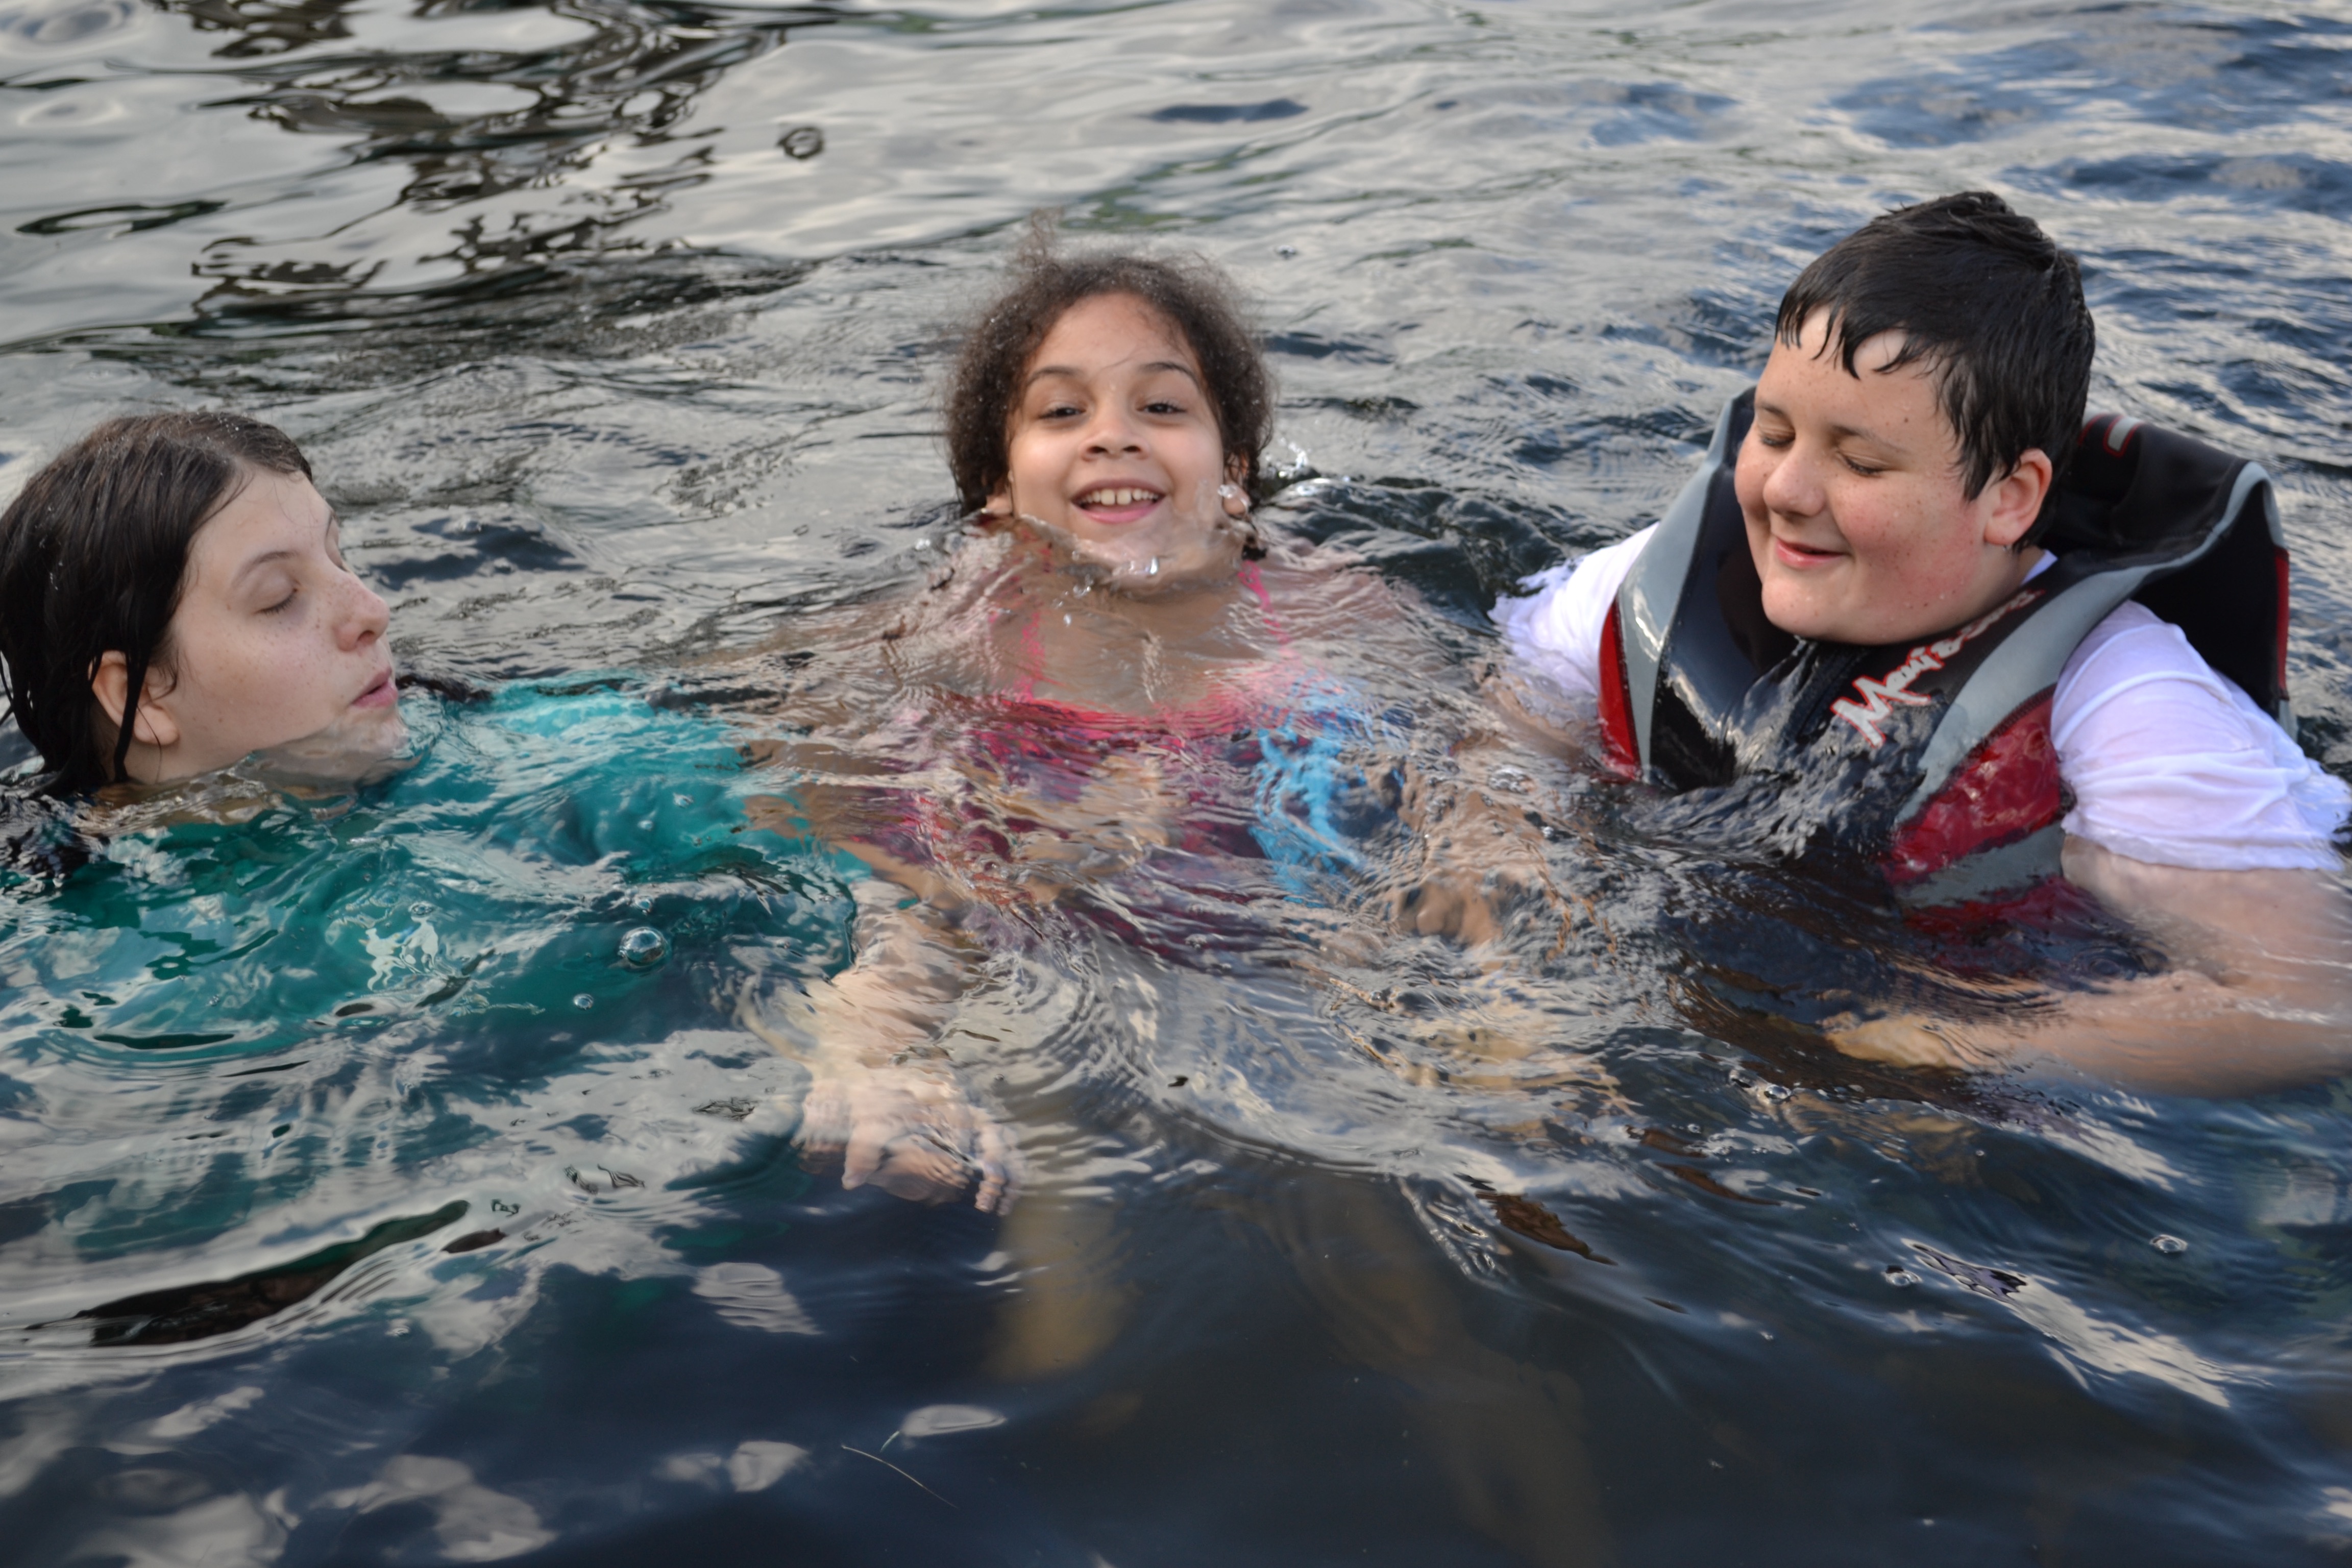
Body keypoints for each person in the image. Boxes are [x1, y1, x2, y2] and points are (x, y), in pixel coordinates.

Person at [1492, 191, 2352, 1095]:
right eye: (1774, 431)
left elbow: (2307, 1005)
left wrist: (1943, 1047)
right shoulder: (1648, 591)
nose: (1787, 489)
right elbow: (1502, 740)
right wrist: (1500, 924)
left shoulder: (2126, 701)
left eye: (1860, 463)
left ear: (2011, 498)